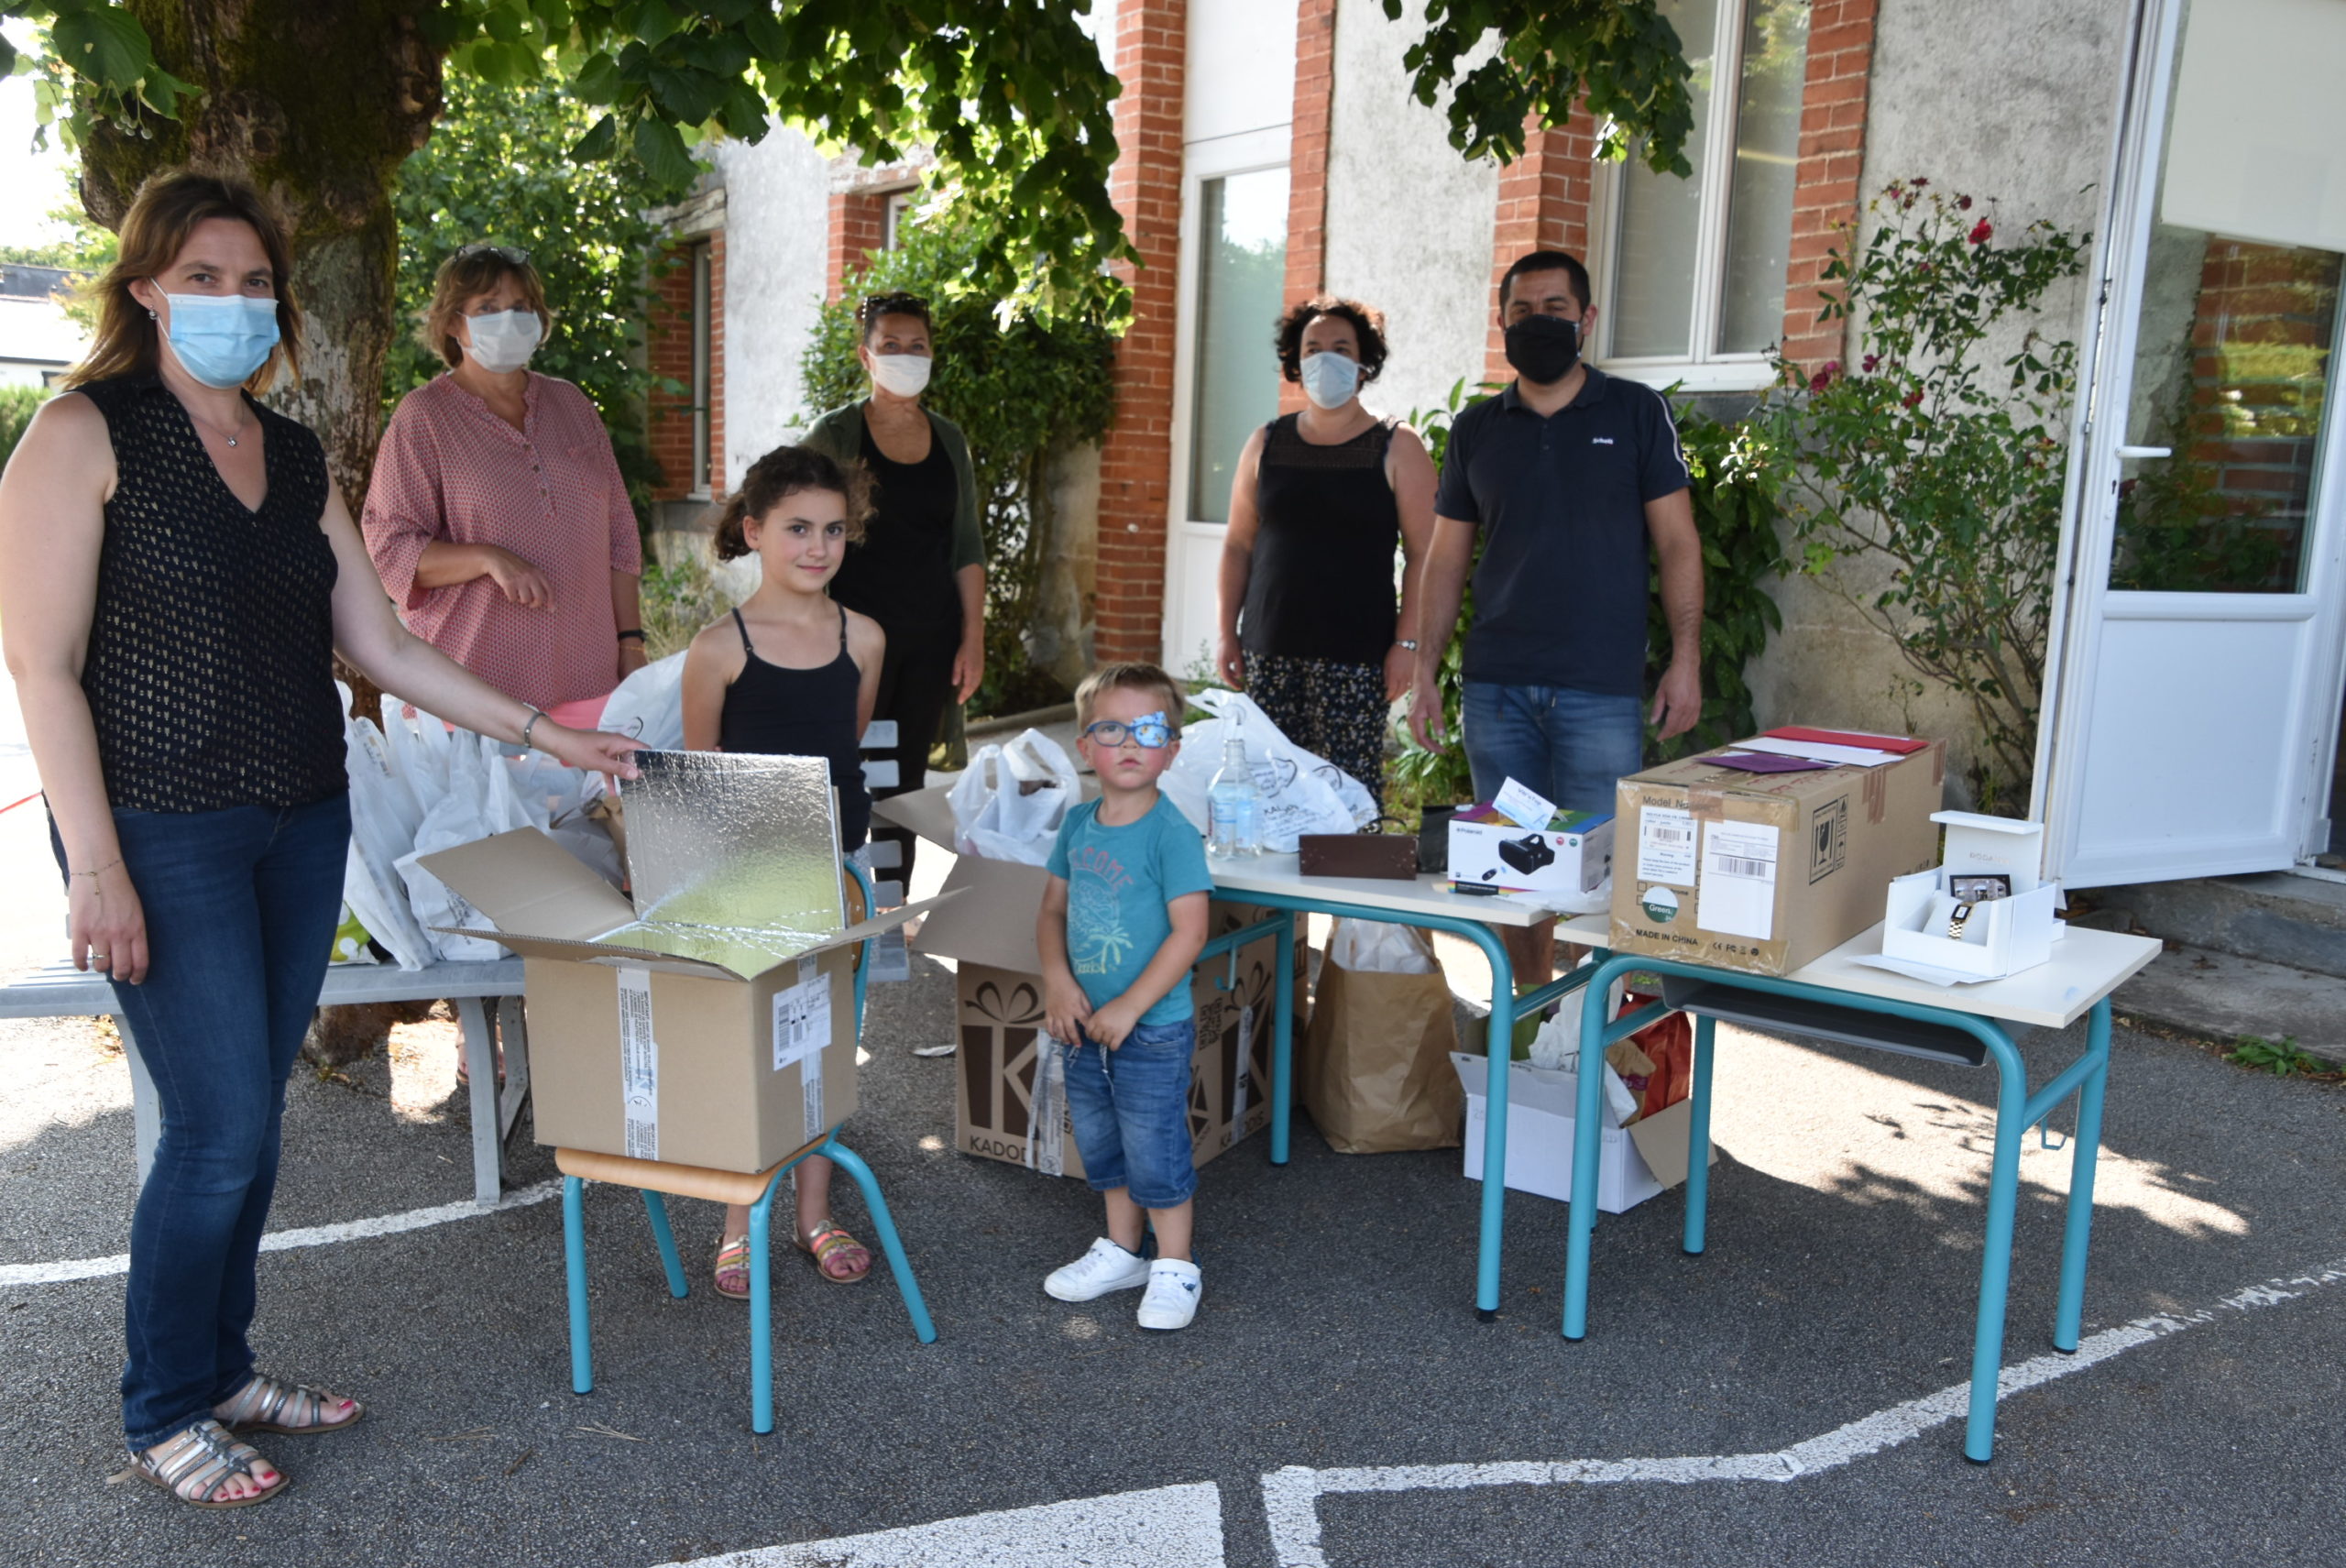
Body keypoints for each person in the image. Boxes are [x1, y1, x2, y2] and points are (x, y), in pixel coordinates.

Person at [0, 170, 641, 1509]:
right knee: (217, 1125)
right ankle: (164, 1403)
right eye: (202, 277)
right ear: (144, 288)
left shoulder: (292, 455)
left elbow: (386, 645)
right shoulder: (81, 431)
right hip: (157, 827)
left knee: (251, 1120)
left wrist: (549, 731)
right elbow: (41, 667)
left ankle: (222, 1366)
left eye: (254, 281)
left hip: (301, 820)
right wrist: (96, 863)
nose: (232, 302)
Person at [1406, 249, 1703, 989]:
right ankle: (1529, 1014)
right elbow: (1444, 561)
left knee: (1600, 879)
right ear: (1502, 321)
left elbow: (1677, 542)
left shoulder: (1635, 413)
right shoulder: (1477, 428)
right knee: (1515, 874)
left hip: (1599, 689)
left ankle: (1588, 1028)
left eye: (1555, 310)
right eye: (1522, 311)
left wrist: (1686, 658)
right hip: (1497, 691)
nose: (1538, 322)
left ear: (1587, 318)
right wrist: (1424, 670)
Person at [680, 444, 886, 1292]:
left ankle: (812, 1215)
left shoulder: (863, 637)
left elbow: (846, 744)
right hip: (747, 886)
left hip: (835, 878)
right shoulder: (716, 649)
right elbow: (703, 780)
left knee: (824, 1052)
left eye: (834, 529)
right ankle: (739, 1217)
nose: (818, 546)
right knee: (753, 1052)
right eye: (798, 528)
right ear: (754, 531)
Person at [362, 244, 648, 712]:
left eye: (520, 307)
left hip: (589, 680)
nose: (508, 321)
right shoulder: (424, 417)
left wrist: (631, 643)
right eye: (487, 309)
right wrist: (487, 558)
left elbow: (620, 536)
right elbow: (390, 549)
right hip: (472, 691)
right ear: (453, 323)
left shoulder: (572, 405)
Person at [1036, 663, 1212, 1332]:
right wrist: (1058, 981)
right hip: (1084, 1022)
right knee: (1104, 1142)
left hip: (1151, 1027)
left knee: (1154, 1145)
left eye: (1149, 730)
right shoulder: (1078, 825)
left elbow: (1191, 932)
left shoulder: (1172, 834)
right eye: (1112, 729)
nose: (1131, 743)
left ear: (1172, 748)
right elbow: (1051, 912)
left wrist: (1131, 1006)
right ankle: (1121, 1250)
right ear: (1086, 746)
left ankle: (1175, 1264)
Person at [1214, 297, 1437, 802]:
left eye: (1341, 348)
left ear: (1364, 363)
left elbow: (1427, 555)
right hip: (1269, 649)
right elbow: (1238, 544)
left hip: (1356, 657)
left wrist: (1406, 646)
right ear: (1295, 362)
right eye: (1313, 348)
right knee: (1270, 793)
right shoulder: (1265, 442)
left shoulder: (1397, 445)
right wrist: (1227, 632)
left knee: (1347, 796)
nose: (1326, 359)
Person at [801, 291, 985, 894]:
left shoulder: (949, 439)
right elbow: (795, 528)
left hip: (931, 640)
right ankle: (838, 902)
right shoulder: (835, 435)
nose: (905, 356)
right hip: (850, 642)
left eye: (917, 346)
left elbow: (967, 545)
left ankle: (889, 904)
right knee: (843, 770)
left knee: (903, 782)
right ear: (866, 356)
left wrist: (973, 637)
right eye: (890, 346)